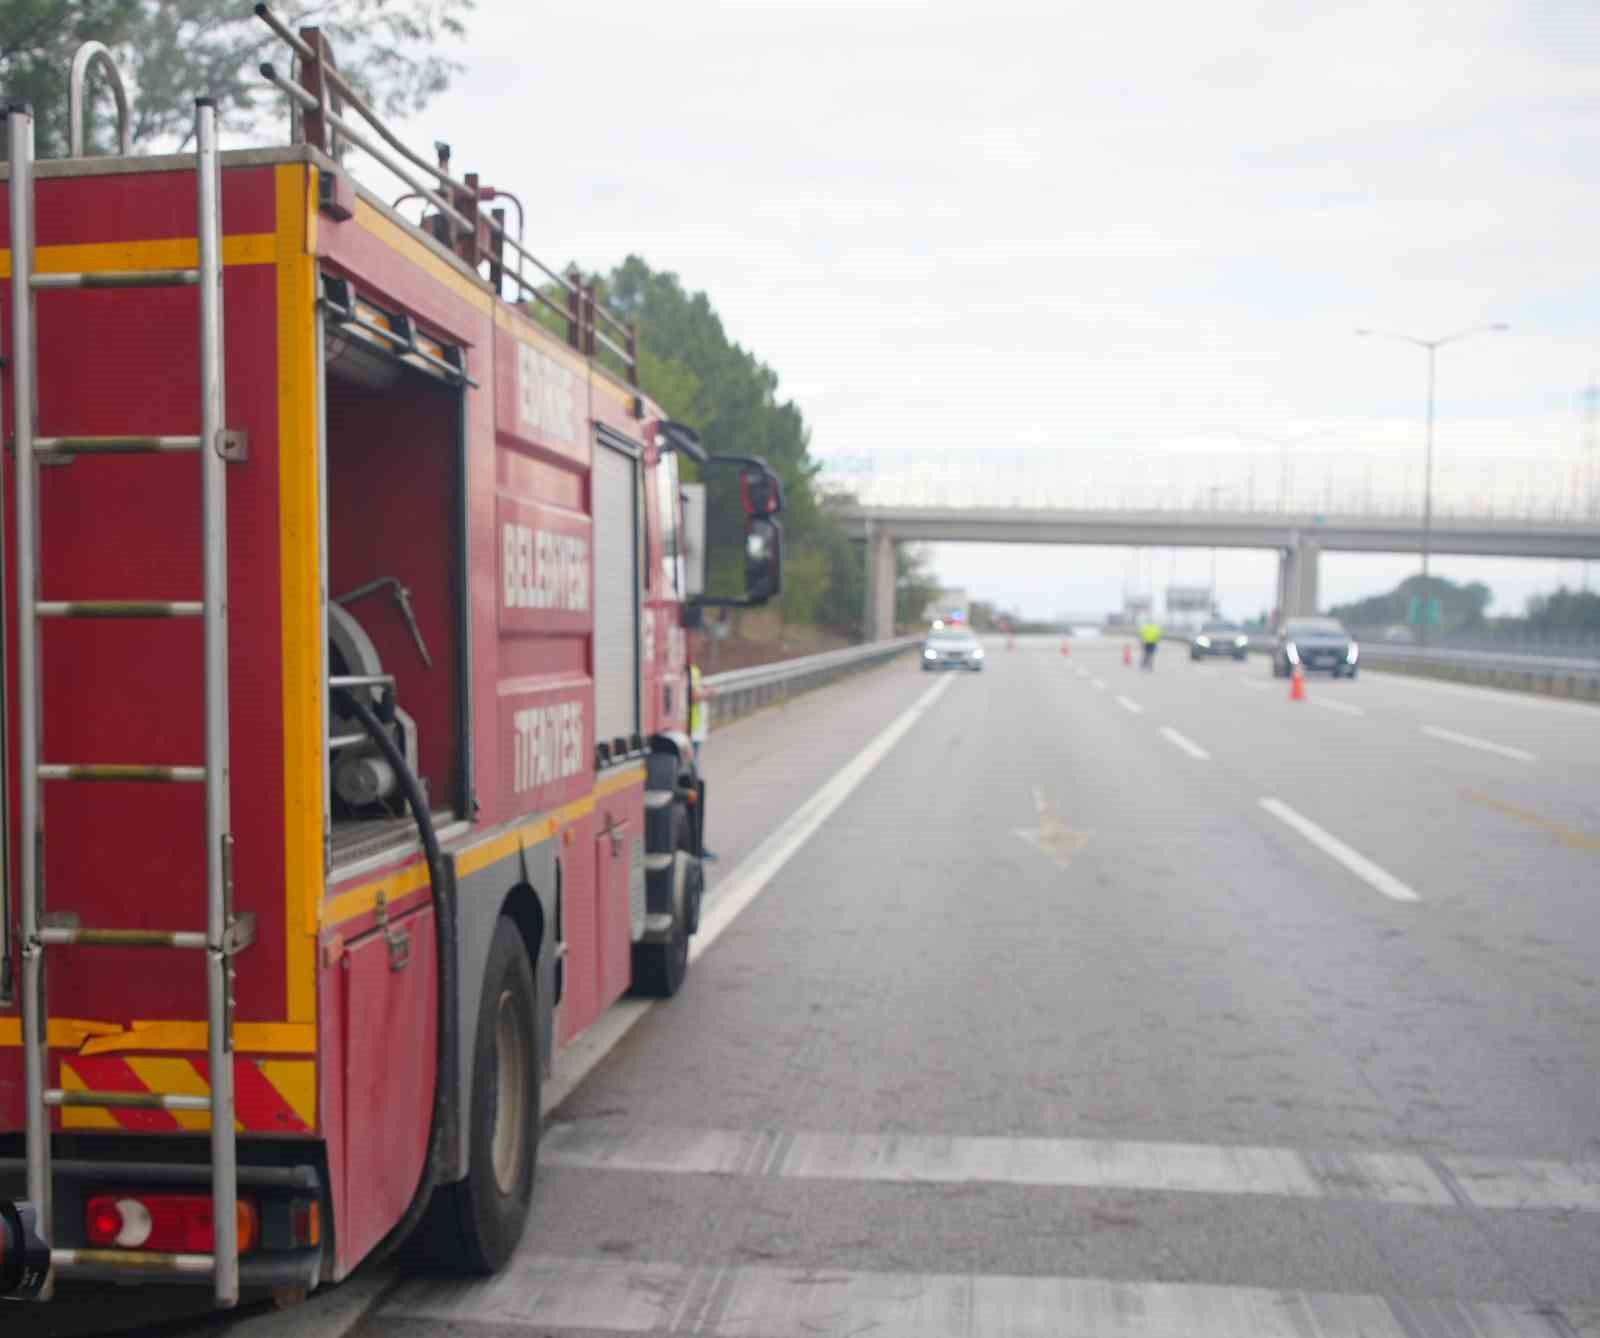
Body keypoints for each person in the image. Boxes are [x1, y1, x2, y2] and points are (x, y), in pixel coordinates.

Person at [688, 640, 717, 861]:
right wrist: (706, 693)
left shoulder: (693, 670)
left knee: (694, 791)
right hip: (688, 738)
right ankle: (695, 846)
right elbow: (692, 696)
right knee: (692, 792)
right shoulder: (688, 670)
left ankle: (696, 845)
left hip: (693, 736)